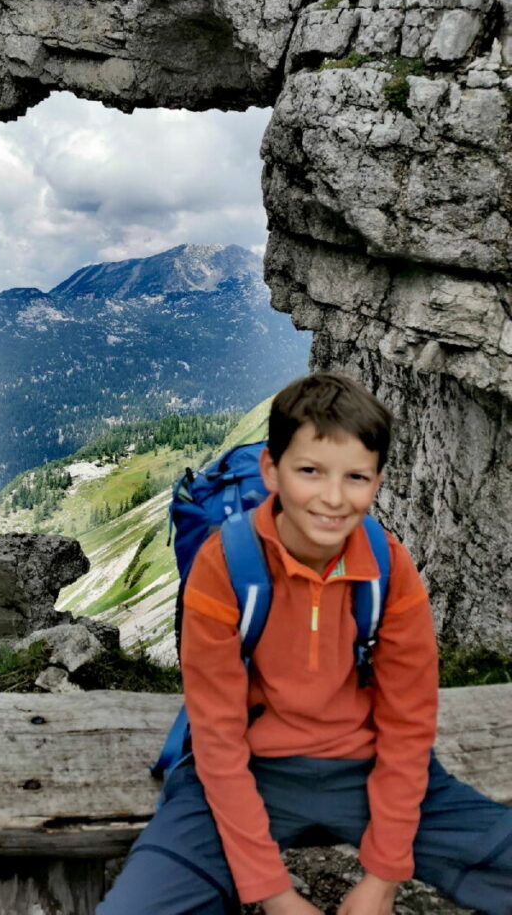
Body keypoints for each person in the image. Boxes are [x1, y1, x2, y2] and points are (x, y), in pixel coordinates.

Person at [97, 372, 512, 915]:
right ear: (272, 470)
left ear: (378, 481)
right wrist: (275, 895)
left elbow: (408, 723)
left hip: (370, 767)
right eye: (310, 471)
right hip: (248, 768)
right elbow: (218, 737)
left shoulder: (390, 569)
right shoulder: (223, 566)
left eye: (356, 477)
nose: (334, 499)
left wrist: (383, 881)